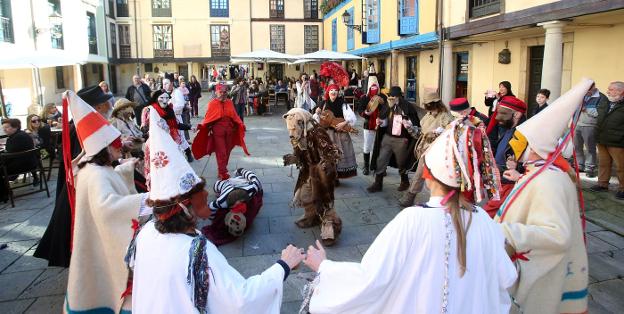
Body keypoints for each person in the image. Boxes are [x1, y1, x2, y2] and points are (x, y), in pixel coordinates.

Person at [301, 118, 514, 314]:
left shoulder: (412, 220)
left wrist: (325, 268)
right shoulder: (486, 223)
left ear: (428, 176)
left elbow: (372, 278)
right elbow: (506, 277)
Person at [131, 111, 304, 313]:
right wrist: (283, 265)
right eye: (198, 192)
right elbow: (241, 300)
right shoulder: (197, 251)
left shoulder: (146, 232)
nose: (206, 193)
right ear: (183, 206)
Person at [495, 79, 592, 313]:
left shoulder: (549, 179)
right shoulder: (540, 171)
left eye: (520, 142)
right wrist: (521, 177)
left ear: (534, 146)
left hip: (542, 280)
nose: (514, 146)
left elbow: (557, 234)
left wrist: (503, 231)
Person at [57, 89, 149, 313]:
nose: (120, 146)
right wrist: (146, 200)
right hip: (101, 235)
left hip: (97, 232)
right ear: (103, 148)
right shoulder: (96, 173)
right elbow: (106, 207)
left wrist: (126, 168)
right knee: (104, 275)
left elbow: (110, 180)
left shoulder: (94, 165)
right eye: (116, 143)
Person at [34, 85, 114, 267]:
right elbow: (87, 160)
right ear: (99, 106)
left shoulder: (81, 124)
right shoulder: (81, 127)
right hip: (82, 185)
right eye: (105, 102)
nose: (110, 105)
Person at [283, 108, 343, 246]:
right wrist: (294, 158)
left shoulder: (317, 133)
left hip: (322, 173)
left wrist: (324, 165)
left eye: (293, 129)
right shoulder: (298, 135)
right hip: (308, 171)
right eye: (289, 129)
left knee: (324, 202)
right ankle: (312, 217)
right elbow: (301, 154)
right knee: (304, 196)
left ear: (302, 123)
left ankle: (332, 227)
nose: (291, 133)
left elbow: (334, 152)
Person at [398, 91, 453, 206]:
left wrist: (437, 134)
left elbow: (450, 133)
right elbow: (421, 133)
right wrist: (410, 128)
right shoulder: (428, 115)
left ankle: (443, 199)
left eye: (427, 104)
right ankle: (411, 196)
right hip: (425, 150)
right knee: (420, 174)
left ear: (434, 103)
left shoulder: (445, 116)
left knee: (435, 176)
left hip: (437, 151)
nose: (425, 106)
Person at [367, 86, 420, 193]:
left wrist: (407, 123)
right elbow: (384, 120)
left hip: (401, 139)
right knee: (381, 159)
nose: (390, 98)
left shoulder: (407, 107)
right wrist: (380, 122)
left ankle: (404, 182)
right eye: (389, 96)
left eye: (393, 97)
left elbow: (415, 125)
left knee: (401, 161)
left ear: (399, 97)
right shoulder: (387, 106)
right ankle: (378, 183)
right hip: (387, 137)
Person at [482, 96, 527, 217]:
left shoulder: (523, 135)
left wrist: (517, 167)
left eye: (503, 113)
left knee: (487, 217)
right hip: (500, 184)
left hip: (508, 186)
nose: (497, 117)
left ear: (517, 114)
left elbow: (532, 165)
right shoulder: (510, 130)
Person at [192, 83, 249, 180]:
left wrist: (240, 124)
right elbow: (208, 118)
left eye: (225, 92)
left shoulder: (229, 103)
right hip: (218, 133)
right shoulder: (212, 103)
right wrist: (200, 126)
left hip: (229, 132)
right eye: (221, 92)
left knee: (227, 152)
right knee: (221, 152)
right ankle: (222, 172)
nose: (223, 94)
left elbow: (234, 115)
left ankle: (222, 168)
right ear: (216, 92)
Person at [202, 168, 264, 245]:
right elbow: (209, 210)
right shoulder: (221, 201)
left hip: (242, 181)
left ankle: (236, 176)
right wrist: (215, 219)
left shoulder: (252, 188)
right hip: (226, 185)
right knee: (216, 186)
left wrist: (240, 170)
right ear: (229, 206)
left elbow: (253, 177)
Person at [141, 90, 191, 186]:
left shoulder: (169, 109)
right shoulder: (148, 110)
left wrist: (189, 127)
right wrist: (151, 128)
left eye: (167, 98)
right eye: (162, 98)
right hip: (155, 143)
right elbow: (143, 127)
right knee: (158, 168)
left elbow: (176, 124)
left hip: (170, 141)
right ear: (156, 98)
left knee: (172, 165)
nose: (165, 100)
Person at [317, 84, 358, 181]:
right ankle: (328, 177)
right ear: (328, 92)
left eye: (335, 90)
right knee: (327, 155)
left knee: (339, 155)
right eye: (331, 90)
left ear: (338, 93)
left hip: (340, 134)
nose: (333, 92)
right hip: (327, 134)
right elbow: (316, 119)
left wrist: (343, 123)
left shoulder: (343, 103)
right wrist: (317, 113)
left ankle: (336, 177)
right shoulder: (323, 103)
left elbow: (351, 117)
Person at [591, 81, 624, 199]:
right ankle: (602, 183)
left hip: (618, 141)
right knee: (603, 163)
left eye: (610, 89)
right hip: (602, 138)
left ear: (619, 91)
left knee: (621, 166)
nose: (608, 91)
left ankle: (623, 188)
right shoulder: (605, 102)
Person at [0, 118, 39, 201]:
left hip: (24, 164)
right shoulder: (20, 135)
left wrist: (3, 154)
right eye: (4, 128)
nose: (4, 130)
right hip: (29, 162)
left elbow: (10, 154)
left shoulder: (17, 137)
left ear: (15, 127)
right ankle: (5, 192)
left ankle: (5, 194)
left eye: (7, 127)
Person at [575, 84, 607, 178]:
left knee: (590, 148)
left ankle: (590, 168)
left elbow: (600, 113)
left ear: (593, 87)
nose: (586, 92)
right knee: (577, 147)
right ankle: (579, 165)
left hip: (590, 125)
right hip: (577, 124)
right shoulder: (582, 95)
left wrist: (586, 109)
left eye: (588, 90)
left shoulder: (601, 97)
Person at [356, 75, 382, 176]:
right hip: (369, 125)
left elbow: (386, 109)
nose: (374, 89)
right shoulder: (364, 98)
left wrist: (382, 117)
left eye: (375, 87)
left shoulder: (382, 97)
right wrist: (366, 114)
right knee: (367, 146)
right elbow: (360, 110)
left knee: (379, 146)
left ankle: (377, 166)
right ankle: (366, 166)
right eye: (372, 87)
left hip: (380, 125)